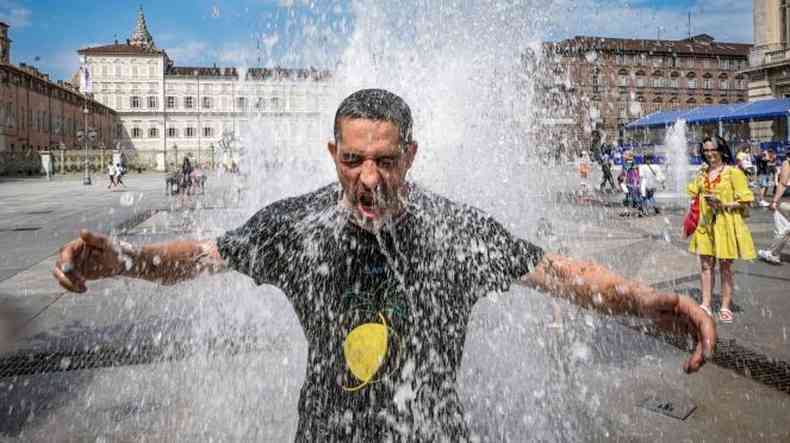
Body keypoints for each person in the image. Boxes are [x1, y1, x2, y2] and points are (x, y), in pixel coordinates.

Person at [52, 89, 714, 441]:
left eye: (386, 160)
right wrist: (127, 258)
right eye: (352, 159)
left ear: (412, 155)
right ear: (332, 151)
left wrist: (643, 300)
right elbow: (201, 256)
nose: (368, 178)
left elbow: (559, 273)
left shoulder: (456, 232)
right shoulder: (297, 227)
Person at [687, 136, 755, 323]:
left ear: (721, 150)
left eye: (712, 150)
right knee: (706, 266)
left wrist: (724, 204)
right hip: (706, 225)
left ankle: (725, 305)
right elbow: (693, 192)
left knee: (725, 268)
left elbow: (746, 200)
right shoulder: (702, 173)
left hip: (726, 225)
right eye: (706, 150)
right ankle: (706, 304)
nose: (709, 154)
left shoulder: (733, 172)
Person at [758, 154, 790, 264]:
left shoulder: (787, 163)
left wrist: (774, 201)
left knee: (782, 229)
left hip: (786, 201)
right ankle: (773, 253)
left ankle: (773, 253)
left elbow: (783, 183)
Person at [618, 150, 642, 216]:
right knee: (634, 196)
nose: (624, 157)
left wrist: (621, 178)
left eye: (625, 156)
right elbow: (637, 173)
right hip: (635, 182)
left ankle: (628, 211)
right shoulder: (634, 162)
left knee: (629, 196)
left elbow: (625, 172)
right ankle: (638, 211)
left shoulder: (627, 163)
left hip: (630, 182)